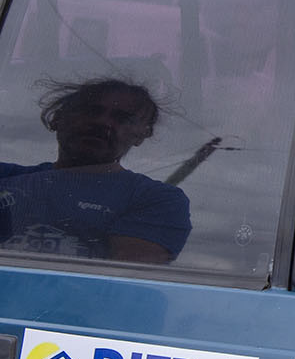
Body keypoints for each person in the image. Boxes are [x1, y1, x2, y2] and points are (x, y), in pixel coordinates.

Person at [0, 78, 191, 263]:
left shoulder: (155, 200)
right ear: (57, 119)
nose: (103, 122)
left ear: (141, 135)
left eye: (123, 119)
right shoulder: (6, 177)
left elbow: (126, 278)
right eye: (90, 111)